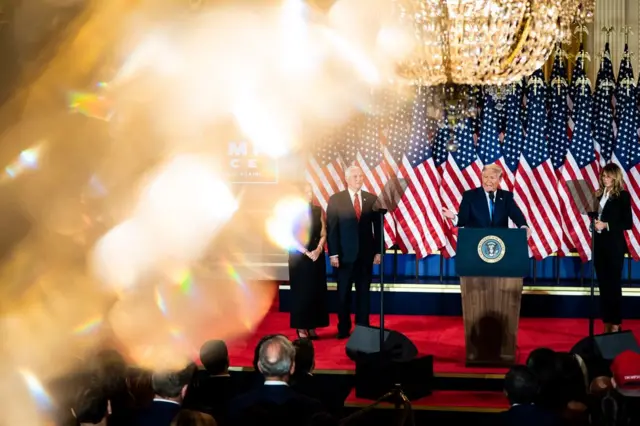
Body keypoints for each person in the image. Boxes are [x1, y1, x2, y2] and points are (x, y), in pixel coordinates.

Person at [326, 165, 382, 339]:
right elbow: (332, 229)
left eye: (361, 176)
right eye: (355, 176)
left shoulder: (372, 199)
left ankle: (363, 329)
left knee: (363, 294)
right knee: (343, 295)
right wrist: (333, 253)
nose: (359, 179)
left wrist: (379, 252)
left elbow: (378, 228)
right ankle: (343, 328)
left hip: (365, 257)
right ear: (347, 179)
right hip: (344, 257)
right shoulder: (336, 199)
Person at [593, 163, 633, 333]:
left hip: (614, 246)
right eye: (603, 176)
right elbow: (596, 216)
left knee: (613, 285)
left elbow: (627, 223)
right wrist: (595, 224)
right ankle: (607, 321)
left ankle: (616, 323)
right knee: (603, 285)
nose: (605, 179)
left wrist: (606, 225)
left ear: (615, 177)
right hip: (599, 245)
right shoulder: (599, 194)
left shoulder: (623, 196)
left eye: (608, 176)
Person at [288, 183, 329, 340]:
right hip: (299, 257)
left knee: (315, 291)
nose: (309, 194)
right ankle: (301, 327)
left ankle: (312, 325)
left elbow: (323, 233)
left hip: (316, 256)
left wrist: (318, 250)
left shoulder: (318, 210)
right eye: (306, 191)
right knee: (302, 293)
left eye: (310, 191)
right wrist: (306, 252)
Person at [442, 164, 530, 235]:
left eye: (492, 178)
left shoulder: (506, 196)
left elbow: (516, 215)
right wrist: (453, 216)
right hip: (475, 241)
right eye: (485, 177)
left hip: (499, 242)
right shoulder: (469, 195)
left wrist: (523, 226)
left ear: (499, 179)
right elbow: (463, 219)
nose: (488, 181)